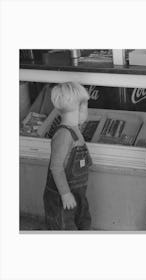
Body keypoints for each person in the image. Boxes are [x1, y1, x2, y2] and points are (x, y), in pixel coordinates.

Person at [43, 82, 92, 230]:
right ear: (77, 109)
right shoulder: (64, 135)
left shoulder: (75, 129)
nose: (87, 111)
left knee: (82, 223)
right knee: (64, 227)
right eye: (84, 106)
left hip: (77, 193)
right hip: (62, 196)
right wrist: (65, 194)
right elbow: (56, 167)